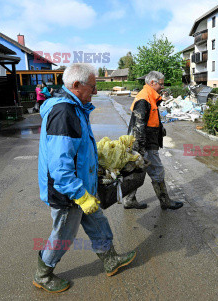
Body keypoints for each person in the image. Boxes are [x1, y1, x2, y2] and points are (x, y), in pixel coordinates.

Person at [34, 63, 136, 293]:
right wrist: (81, 195)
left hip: (81, 186)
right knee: (63, 235)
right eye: (93, 86)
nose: (96, 91)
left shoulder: (76, 107)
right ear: (77, 85)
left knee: (98, 222)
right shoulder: (64, 112)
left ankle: (110, 259)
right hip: (67, 191)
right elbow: (60, 167)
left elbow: (77, 150)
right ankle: (43, 274)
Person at [123, 71, 183, 210]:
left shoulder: (149, 97)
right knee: (157, 170)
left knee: (137, 171)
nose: (162, 87)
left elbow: (148, 121)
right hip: (146, 144)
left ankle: (129, 200)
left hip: (145, 143)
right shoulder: (144, 99)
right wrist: (140, 151)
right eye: (161, 84)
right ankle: (165, 201)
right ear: (152, 83)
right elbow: (139, 127)